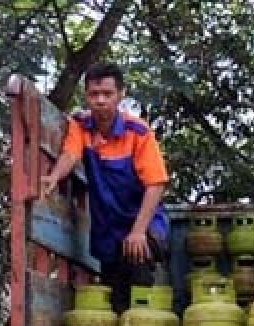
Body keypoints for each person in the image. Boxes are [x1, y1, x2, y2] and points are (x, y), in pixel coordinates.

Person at [40, 62, 171, 311]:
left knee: (137, 265)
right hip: (108, 230)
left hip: (144, 223)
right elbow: (70, 153)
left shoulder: (138, 133)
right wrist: (54, 176)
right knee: (114, 296)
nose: (100, 101)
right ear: (86, 96)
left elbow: (156, 184)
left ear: (121, 95)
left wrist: (139, 231)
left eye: (107, 94)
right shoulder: (80, 126)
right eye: (94, 94)